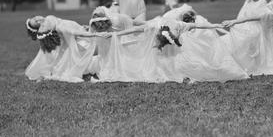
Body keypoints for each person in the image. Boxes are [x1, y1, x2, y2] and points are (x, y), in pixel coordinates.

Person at [98, 13, 248, 83]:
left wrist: (216, 25)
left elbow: (199, 25)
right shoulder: (154, 26)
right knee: (158, 64)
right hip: (159, 51)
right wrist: (116, 34)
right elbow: (134, 30)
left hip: (175, 51)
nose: (175, 33)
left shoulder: (180, 25)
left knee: (184, 64)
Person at [221, 0, 273, 76]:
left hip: (253, 33)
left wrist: (234, 21)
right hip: (255, 33)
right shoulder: (272, 9)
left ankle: (228, 62)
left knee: (237, 47)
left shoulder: (270, 14)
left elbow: (251, 17)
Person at [24, 15, 109, 83]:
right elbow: (75, 32)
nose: (39, 20)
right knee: (103, 52)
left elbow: (73, 28)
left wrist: (82, 27)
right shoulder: (59, 27)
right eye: (37, 23)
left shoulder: (49, 20)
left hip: (81, 37)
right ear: (42, 28)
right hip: (83, 42)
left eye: (35, 18)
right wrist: (94, 35)